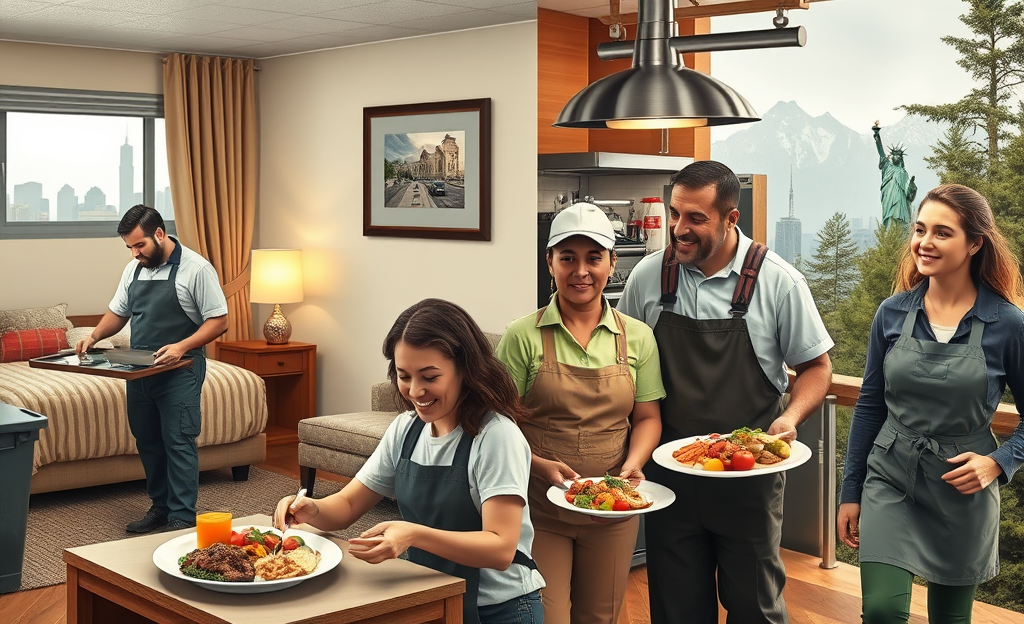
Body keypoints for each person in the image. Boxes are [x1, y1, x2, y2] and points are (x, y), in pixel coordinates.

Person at [617, 160, 833, 624]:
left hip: (748, 479)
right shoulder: (647, 279)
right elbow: (623, 365)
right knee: (676, 611)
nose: (679, 229)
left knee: (756, 609)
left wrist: (789, 420)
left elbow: (816, 367)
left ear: (731, 218)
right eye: (676, 215)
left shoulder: (778, 282)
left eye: (696, 218)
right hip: (667, 478)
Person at [274, 298, 545, 624]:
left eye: (429, 377)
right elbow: (347, 505)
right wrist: (312, 509)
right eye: (404, 376)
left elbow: (500, 549)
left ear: (466, 370)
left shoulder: (496, 436)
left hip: (499, 609)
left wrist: (413, 535)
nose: (415, 391)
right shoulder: (406, 429)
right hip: (433, 597)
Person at [838, 184, 1024, 624]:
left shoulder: (1008, 324)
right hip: (890, 477)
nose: (924, 242)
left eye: (943, 233)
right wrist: (851, 490)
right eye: (920, 230)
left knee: (950, 619)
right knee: (882, 611)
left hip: (963, 486)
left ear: (975, 243)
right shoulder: (892, 313)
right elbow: (869, 407)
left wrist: (997, 463)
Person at [495, 202, 665, 624]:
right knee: (545, 617)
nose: (581, 271)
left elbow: (647, 418)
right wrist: (536, 465)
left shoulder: (638, 337)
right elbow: (495, 427)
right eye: (567, 258)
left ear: (612, 263)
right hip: (539, 507)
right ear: (550, 262)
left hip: (613, 509)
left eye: (593, 258)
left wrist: (632, 465)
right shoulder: (522, 335)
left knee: (601, 616)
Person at [76, 205, 228, 533]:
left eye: (139, 245)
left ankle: (182, 517)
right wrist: (94, 334)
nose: (134, 253)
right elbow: (119, 312)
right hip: (139, 369)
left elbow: (219, 320)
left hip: (180, 369)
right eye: (129, 247)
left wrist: (183, 346)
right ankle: (160, 507)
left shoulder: (196, 269)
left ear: (159, 234)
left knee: (178, 440)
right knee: (147, 440)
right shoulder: (134, 270)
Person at [873, 122, 917, 228]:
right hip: (888, 198)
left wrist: (912, 187)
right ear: (891, 157)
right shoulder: (887, 166)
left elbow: (909, 197)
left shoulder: (903, 172)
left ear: (901, 158)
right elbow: (881, 152)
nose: (896, 157)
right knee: (890, 221)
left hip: (900, 200)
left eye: (898, 156)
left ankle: (901, 240)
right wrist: (877, 135)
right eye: (894, 155)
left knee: (901, 223)